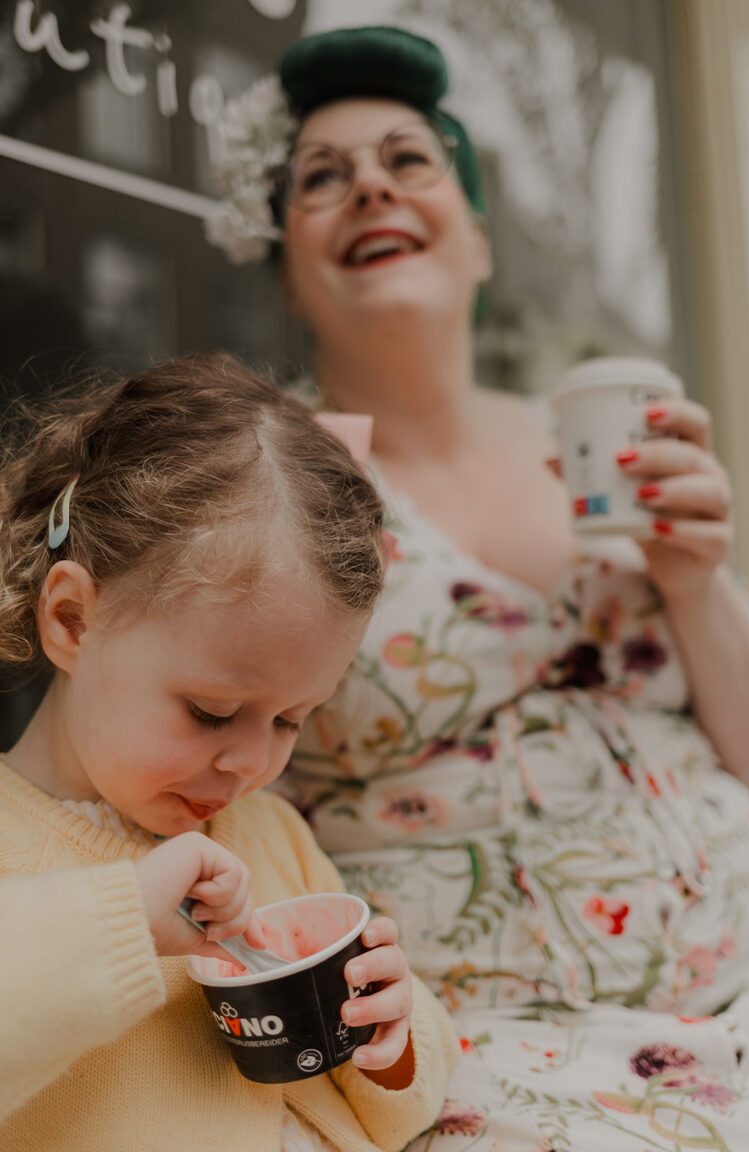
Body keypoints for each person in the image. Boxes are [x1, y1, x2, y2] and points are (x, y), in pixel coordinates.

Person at [205, 24, 749, 1151]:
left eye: (410, 162)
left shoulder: (592, 440)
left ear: (476, 241)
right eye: (323, 178)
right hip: (501, 1046)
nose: (371, 184)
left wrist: (698, 582)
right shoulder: (272, 488)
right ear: (287, 272)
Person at [0, 351, 459, 1152]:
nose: (252, 762)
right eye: (212, 713)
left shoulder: (272, 838)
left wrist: (394, 1034)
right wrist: (119, 923)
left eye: (291, 720)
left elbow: (393, 1106)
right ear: (72, 620)